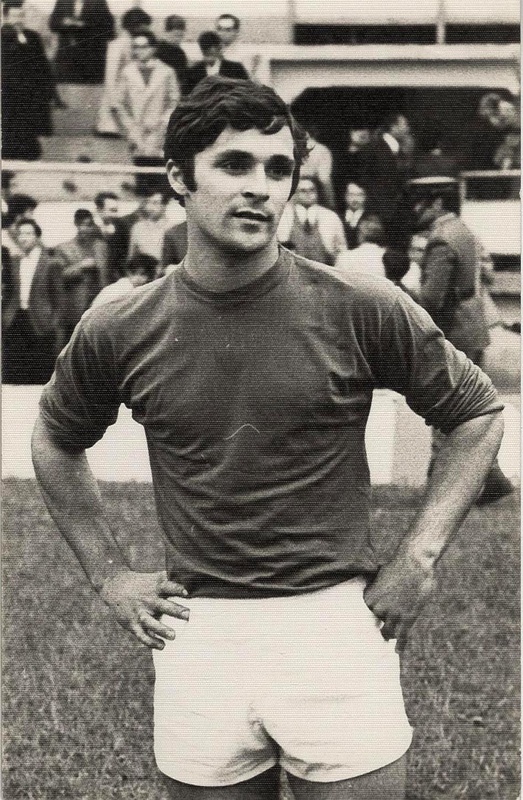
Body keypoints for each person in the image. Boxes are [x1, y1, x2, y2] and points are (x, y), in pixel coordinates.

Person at [32, 76, 505, 800]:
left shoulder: (359, 305)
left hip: (335, 626)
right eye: (234, 164)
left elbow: (476, 412)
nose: (260, 187)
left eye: (278, 169)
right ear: (178, 177)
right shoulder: (121, 324)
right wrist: (110, 576)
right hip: (198, 633)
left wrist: (418, 557)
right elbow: (55, 439)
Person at [413, 177, 513, 505]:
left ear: (437, 203)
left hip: (453, 332)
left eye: (420, 202)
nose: (416, 209)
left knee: (446, 406)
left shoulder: (441, 239)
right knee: (468, 408)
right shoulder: (462, 230)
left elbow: (431, 299)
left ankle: (441, 483)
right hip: (472, 329)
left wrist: (401, 291)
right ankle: (492, 477)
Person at [112, 28, 180, 195]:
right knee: (141, 179)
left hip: (160, 131)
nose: (139, 51)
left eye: (143, 47)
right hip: (136, 132)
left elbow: (174, 101)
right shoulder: (127, 72)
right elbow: (118, 103)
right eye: (135, 47)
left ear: (153, 48)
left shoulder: (166, 72)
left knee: (159, 180)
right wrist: (131, 127)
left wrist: (162, 124)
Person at [2, 218, 57, 383]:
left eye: (28, 233)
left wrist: (52, 322)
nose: (23, 238)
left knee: (39, 369)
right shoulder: (13, 262)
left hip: (41, 319)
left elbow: (58, 298)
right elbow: (9, 292)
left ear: (37, 237)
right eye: (20, 234)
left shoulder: (50, 263)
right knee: (14, 369)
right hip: (16, 318)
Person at [2, 0, 58, 161]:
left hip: (30, 97)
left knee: (29, 138)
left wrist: (49, 92)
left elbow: (43, 67)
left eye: (21, 15)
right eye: (14, 16)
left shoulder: (33, 37)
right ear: (6, 18)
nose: (18, 20)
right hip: (8, 96)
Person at [51, 208, 109, 352]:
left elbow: (106, 275)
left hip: (98, 303)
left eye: (89, 225)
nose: (85, 229)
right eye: (82, 224)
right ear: (76, 224)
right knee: (71, 348)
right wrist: (81, 266)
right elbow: (58, 277)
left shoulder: (101, 246)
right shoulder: (64, 248)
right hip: (74, 307)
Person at [95, 6, 152, 137]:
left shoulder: (135, 44)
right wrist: (114, 105)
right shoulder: (117, 45)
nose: (146, 30)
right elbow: (110, 79)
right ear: (134, 25)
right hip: (115, 106)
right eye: (143, 26)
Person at [359, 113, 412, 247]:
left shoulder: (401, 152)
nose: (408, 128)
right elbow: (365, 181)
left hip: (399, 218)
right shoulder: (372, 149)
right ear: (393, 127)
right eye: (404, 125)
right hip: (380, 216)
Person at [277, 175, 347, 265]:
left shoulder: (330, 217)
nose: (308, 194)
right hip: (291, 269)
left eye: (311, 190)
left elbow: (342, 250)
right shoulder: (283, 215)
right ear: (295, 193)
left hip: (323, 269)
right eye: (303, 190)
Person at [49, 0, 114, 84]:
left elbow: (108, 29)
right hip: (66, 58)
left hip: (89, 59)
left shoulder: (99, 2)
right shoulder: (63, 2)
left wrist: (83, 24)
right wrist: (65, 23)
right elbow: (53, 24)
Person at [214, 13, 271, 85]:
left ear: (236, 32)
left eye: (228, 30)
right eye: (219, 29)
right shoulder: (210, 53)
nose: (222, 33)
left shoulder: (248, 54)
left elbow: (262, 84)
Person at [90, 252, 157, 308]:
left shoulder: (128, 286)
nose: (146, 279)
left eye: (150, 276)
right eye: (142, 274)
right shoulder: (125, 290)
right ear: (130, 273)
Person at [93, 191, 131, 283]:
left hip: (119, 280)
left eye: (116, 210)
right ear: (99, 210)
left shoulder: (124, 230)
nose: (115, 215)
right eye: (112, 210)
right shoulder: (92, 231)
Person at [127, 189, 170, 268]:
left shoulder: (172, 228)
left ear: (164, 205)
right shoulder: (138, 228)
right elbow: (131, 257)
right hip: (144, 272)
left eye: (155, 203)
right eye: (148, 202)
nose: (150, 207)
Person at [300, 125, 336, 209]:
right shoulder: (322, 150)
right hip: (311, 193)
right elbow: (324, 179)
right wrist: (331, 203)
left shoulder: (289, 149)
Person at [156, 15, 189, 94]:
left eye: (181, 36)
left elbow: (183, 77)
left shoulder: (180, 53)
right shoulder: (157, 51)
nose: (179, 39)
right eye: (176, 36)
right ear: (166, 32)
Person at [341, 182, 374, 249]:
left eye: (359, 195)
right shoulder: (338, 217)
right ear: (345, 196)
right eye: (351, 195)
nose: (355, 199)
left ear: (365, 197)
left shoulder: (371, 218)